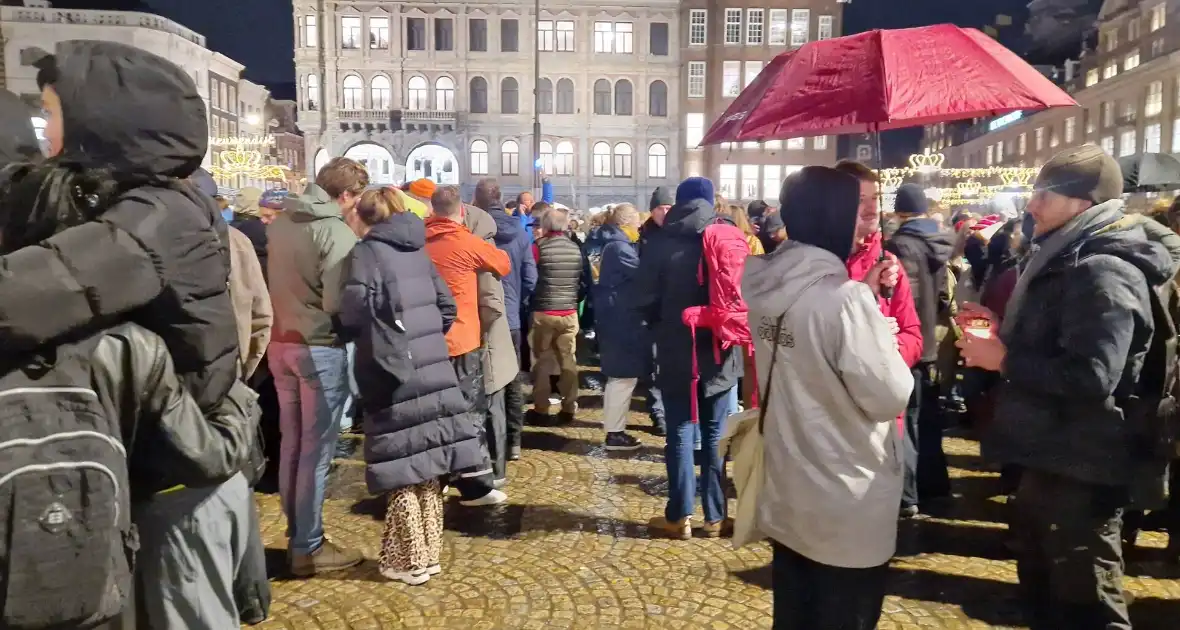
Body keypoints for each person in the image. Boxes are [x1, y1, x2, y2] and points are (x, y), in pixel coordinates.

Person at [958, 145, 1172, 629]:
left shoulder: (1102, 269)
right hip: (1051, 455)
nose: (1032, 205)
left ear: (1085, 203)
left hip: (1083, 465)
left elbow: (1094, 376)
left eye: (1046, 195)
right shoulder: (1067, 253)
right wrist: (1000, 328)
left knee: (1086, 605)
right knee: (1049, 598)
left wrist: (1005, 359)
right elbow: (1060, 343)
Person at [745, 166, 913, 630]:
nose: (868, 222)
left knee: (795, 613)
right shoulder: (845, 301)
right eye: (856, 211)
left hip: (791, 485)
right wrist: (878, 326)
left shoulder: (765, 284)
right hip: (844, 495)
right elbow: (889, 396)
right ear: (832, 218)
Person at [336, 188, 484, 584]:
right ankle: (426, 554)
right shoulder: (417, 249)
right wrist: (427, 339)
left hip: (390, 372)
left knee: (400, 467)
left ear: (364, 217)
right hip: (432, 367)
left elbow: (351, 314)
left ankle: (411, 561)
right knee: (429, 465)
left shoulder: (365, 254)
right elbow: (447, 306)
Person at [267, 156, 367, 576]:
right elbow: (334, 303)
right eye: (356, 198)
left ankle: (297, 534)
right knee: (316, 452)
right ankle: (307, 546)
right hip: (318, 348)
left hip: (280, 343)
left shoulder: (284, 222)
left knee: (291, 445)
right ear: (345, 195)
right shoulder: (336, 232)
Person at [633, 177, 742, 540]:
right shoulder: (726, 234)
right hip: (722, 351)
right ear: (711, 202)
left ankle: (680, 516)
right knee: (715, 436)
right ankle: (715, 516)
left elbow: (643, 301)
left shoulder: (661, 243)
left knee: (680, 433)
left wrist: (660, 327)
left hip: (677, 350)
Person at [835, 159, 924, 518]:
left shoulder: (890, 264)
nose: (872, 207)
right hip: (835, 421)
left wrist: (890, 349)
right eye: (860, 199)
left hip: (883, 421)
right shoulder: (819, 265)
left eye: (875, 197)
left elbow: (914, 335)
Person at [425, 185, 512, 505]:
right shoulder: (465, 241)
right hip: (462, 340)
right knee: (468, 414)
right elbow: (502, 264)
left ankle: (438, 477)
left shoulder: (417, 242)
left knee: (434, 413)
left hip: (426, 342)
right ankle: (474, 485)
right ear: (461, 211)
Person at [885, 183, 956, 506]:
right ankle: (935, 484)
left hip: (910, 343)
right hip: (932, 341)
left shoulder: (901, 246)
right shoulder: (940, 242)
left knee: (908, 420)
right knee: (927, 416)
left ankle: (908, 494)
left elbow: (905, 299)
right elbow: (942, 296)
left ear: (900, 210)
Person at [473, 178, 536, 462]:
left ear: (477, 200)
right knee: (512, 380)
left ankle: (486, 444)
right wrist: (519, 306)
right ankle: (514, 442)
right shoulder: (521, 234)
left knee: (483, 380)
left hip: (479, 315)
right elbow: (531, 278)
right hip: (511, 317)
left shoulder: (473, 232)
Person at [594, 204, 665, 449]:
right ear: (626, 224)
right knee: (622, 378)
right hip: (621, 319)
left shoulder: (607, 243)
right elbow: (643, 276)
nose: (638, 229)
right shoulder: (620, 247)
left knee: (621, 377)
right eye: (636, 225)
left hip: (613, 317)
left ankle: (615, 429)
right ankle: (614, 433)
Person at [529, 206, 585, 424]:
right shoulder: (574, 248)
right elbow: (581, 279)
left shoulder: (538, 247)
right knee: (568, 360)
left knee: (542, 360)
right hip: (569, 312)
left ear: (545, 225)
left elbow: (531, 278)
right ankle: (569, 405)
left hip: (544, 311)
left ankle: (541, 407)